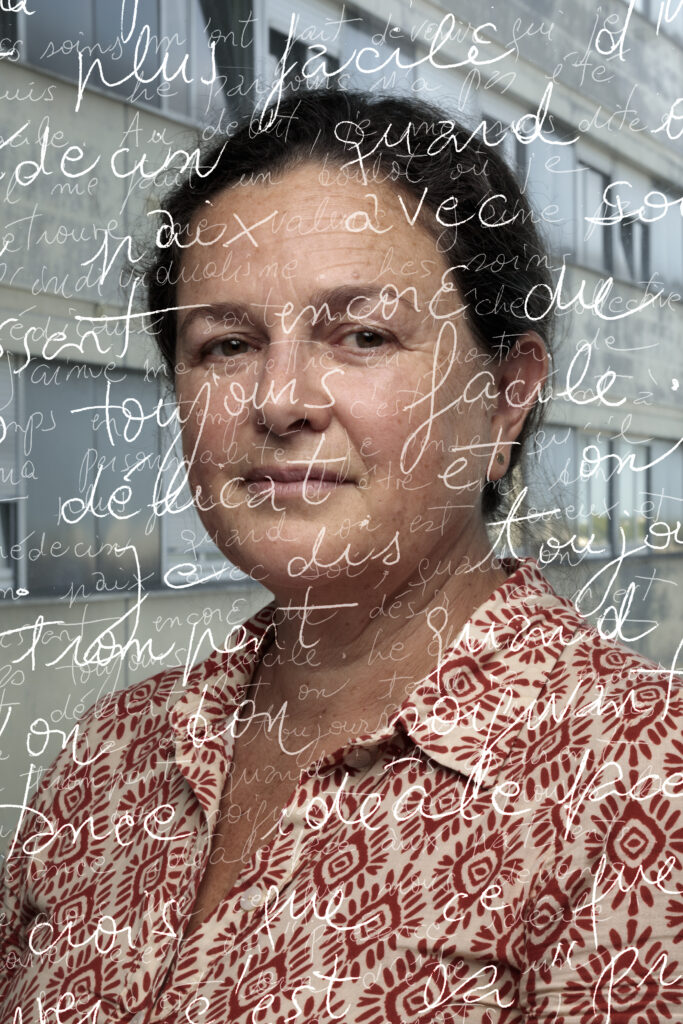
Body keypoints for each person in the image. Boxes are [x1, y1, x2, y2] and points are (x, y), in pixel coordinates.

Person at [2, 88, 682, 1023]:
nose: (279, 399)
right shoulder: (111, 751)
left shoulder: (639, 780)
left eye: (363, 335)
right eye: (226, 345)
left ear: (505, 395)